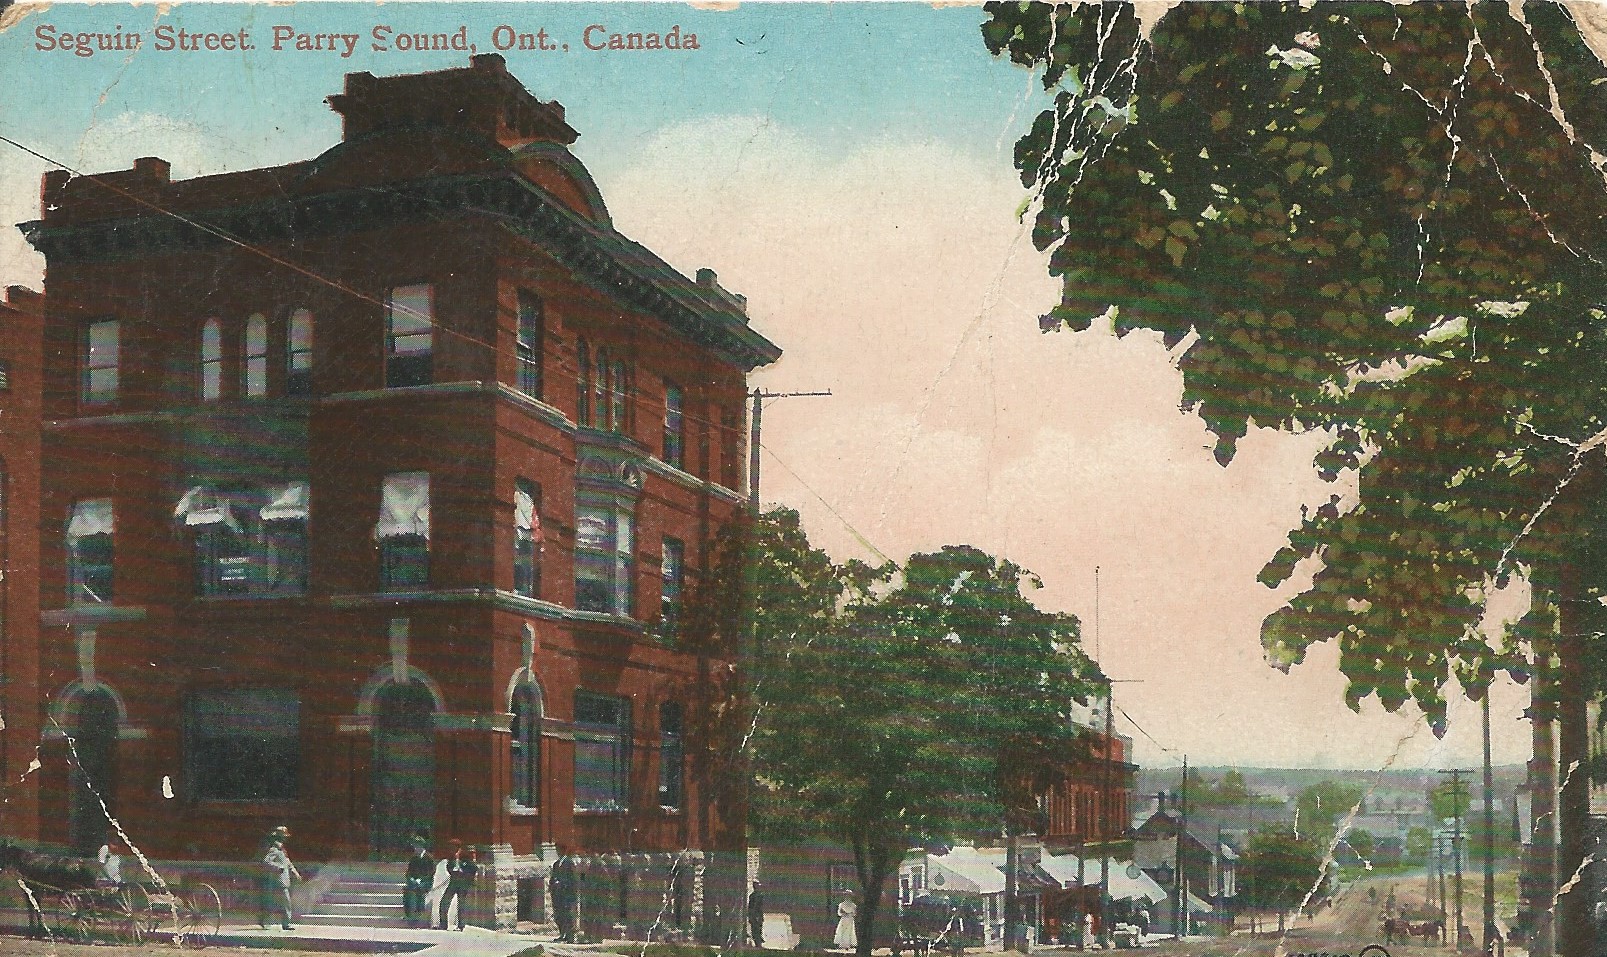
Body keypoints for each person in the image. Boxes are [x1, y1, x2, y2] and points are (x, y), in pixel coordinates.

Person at [261, 829, 300, 931]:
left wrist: (295, 872)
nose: (285, 839)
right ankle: (272, 923)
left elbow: (288, 862)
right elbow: (266, 862)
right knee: (280, 902)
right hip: (277, 881)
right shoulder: (274, 849)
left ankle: (284, 923)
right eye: (284, 837)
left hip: (283, 881)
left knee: (283, 903)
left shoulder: (282, 850)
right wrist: (278, 867)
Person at [438, 839, 478, 930]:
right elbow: (448, 867)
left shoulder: (465, 856)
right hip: (454, 882)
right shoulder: (451, 857)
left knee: (461, 905)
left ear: (457, 847)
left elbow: (473, 868)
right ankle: (443, 924)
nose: (450, 849)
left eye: (452, 847)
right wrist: (452, 871)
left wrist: (464, 872)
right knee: (444, 902)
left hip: (463, 883)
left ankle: (461, 926)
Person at [404, 834, 434, 927]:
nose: (415, 849)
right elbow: (408, 872)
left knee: (419, 891)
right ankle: (409, 914)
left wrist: (420, 880)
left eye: (417, 846)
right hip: (414, 882)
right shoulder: (413, 858)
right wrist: (412, 879)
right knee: (407, 890)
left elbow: (431, 873)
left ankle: (418, 916)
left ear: (421, 846)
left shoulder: (429, 858)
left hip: (425, 882)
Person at [748, 880, 766, 947]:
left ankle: (758, 941)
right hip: (756, 914)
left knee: (756, 929)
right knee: (757, 928)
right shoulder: (758, 895)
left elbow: (752, 907)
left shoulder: (754, 896)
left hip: (756, 914)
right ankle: (758, 941)